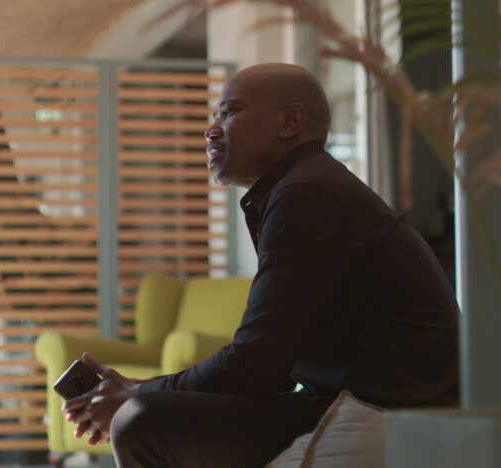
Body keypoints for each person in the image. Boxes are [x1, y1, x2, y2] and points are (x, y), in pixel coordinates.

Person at [62, 63, 460, 468]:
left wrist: (138, 394)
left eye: (230, 112)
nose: (211, 130)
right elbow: (271, 366)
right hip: (346, 399)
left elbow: (255, 366)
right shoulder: (303, 187)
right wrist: (142, 388)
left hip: (388, 411)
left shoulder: (307, 194)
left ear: (290, 122)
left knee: (139, 421)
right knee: (147, 413)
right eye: (215, 116)